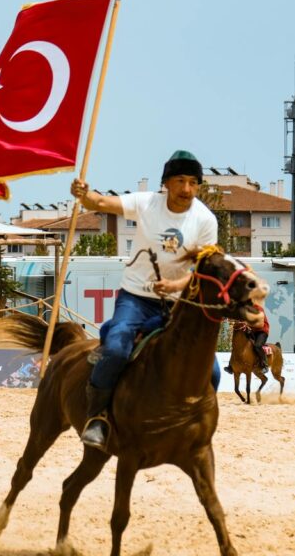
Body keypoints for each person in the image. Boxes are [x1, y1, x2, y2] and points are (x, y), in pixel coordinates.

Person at [70, 149, 218, 450]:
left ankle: (189, 422)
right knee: (115, 350)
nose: (187, 189)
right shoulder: (147, 203)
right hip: (135, 298)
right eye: (180, 181)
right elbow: (100, 202)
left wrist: (176, 284)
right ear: (166, 183)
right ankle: (97, 418)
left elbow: (203, 271)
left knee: (212, 371)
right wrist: (84, 195)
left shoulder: (205, 219)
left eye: (193, 182)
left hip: (179, 305)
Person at [224, 304, 270, 374]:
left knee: (257, 346)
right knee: (237, 344)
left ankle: (264, 365)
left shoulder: (258, 309)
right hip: (252, 330)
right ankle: (231, 366)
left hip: (261, 332)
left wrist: (246, 323)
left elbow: (260, 324)